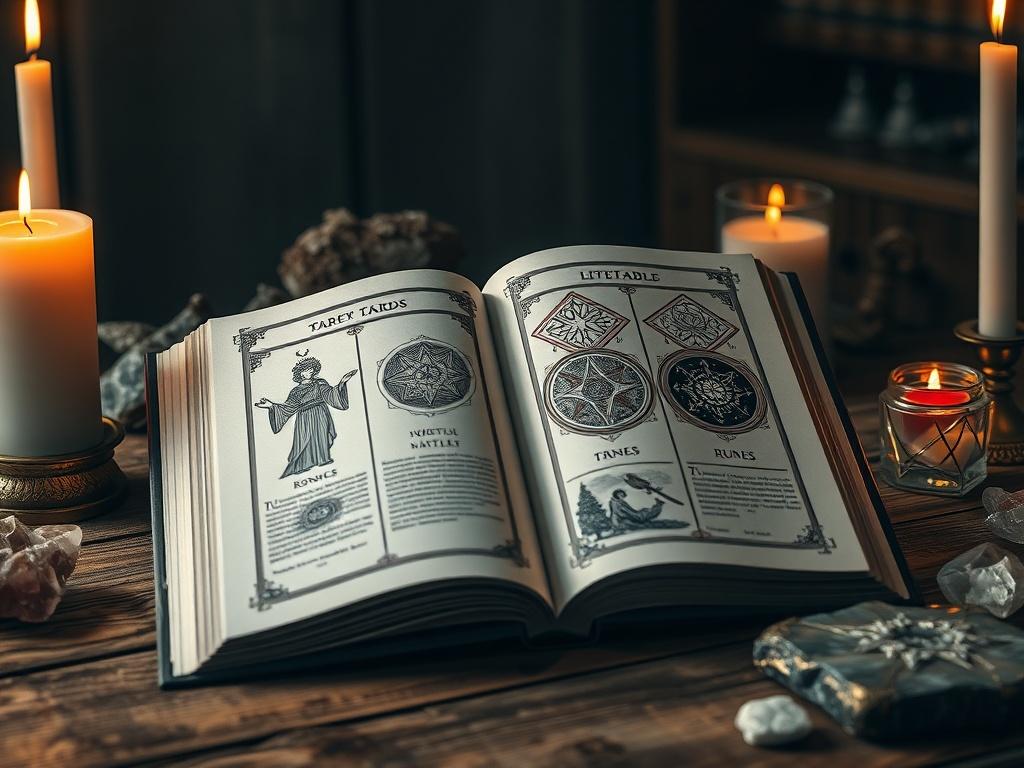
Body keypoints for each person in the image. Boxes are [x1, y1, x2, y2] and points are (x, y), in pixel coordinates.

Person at [255, 356, 358, 478]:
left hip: (320, 413)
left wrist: (342, 383)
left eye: (312, 369)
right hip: (304, 417)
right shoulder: (296, 391)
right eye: (307, 369)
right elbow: (288, 407)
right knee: (304, 440)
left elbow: (330, 394)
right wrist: (271, 406)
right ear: (300, 373)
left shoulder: (320, 383)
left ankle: (322, 459)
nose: (310, 372)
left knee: (321, 436)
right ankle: (301, 465)